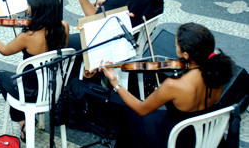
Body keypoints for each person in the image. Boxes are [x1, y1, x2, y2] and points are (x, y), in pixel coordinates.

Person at [96, 23, 234, 147]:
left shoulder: (174, 85)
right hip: (206, 133)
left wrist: (116, 83)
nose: (175, 48)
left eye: (176, 46)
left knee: (133, 115)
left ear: (186, 55)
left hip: (177, 139)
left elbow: (141, 109)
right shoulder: (218, 71)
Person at [0, 0, 69, 142]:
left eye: (29, 5)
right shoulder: (64, 26)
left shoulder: (28, 36)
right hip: (53, 88)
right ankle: (29, 121)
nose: (27, 8)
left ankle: (23, 123)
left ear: (37, 9)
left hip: (31, 92)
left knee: (2, 77)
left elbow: (4, 50)